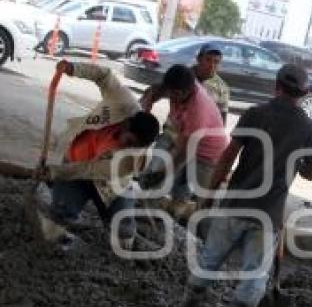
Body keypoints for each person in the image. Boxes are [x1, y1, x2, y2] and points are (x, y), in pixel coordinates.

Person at [183, 64, 312, 307]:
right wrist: (299, 160)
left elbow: (227, 156)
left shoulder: (255, 114)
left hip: (234, 205)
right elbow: (310, 174)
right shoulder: (310, 129)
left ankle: (191, 304)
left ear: (276, 86)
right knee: (254, 273)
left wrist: (210, 194)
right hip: (267, 215)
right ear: (304, 94)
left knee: (210, 259)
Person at [43, 60, 160, 246]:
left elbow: (90, 170)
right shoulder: (122, 100)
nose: (128, 149)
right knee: (58, 216)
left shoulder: (131, 159)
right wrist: (74, 68)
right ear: (126, 124)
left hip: (110, 183)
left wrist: (54, 172)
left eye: (135, 147)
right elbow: (104, 75)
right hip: (75, 162)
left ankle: (129, 237)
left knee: (123, 232)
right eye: (129, 142)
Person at [139, 64, 228, 205]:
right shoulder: (174, 86)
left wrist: (162, 174)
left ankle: (188, 217)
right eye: (171, 93)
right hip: (182, 138)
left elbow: (183, 154)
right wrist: (146, 107)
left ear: (188, 90)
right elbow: (154, 91)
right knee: (160, 172)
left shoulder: (197, 110)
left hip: (208, 155)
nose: (173, 98)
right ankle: (149, 208)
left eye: (177, 95)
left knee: (201, 199)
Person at [141, 43, 231, 123]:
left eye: (216, 62)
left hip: (198, 136)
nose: (212, 66)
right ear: (199, 59)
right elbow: (153, 92)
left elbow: (222, 119)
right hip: (172, 131)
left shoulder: (222, 88)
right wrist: (144, 115)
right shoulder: (182, 75)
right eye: (208, 60)